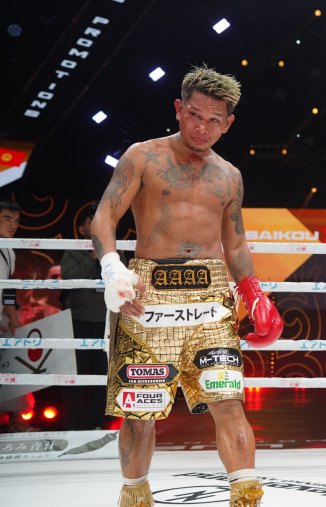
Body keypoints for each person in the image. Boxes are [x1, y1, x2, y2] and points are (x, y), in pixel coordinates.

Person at [91, 65, 283, 507]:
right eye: (195, 115)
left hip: (210, 296)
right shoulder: (143, 156)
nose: (202, 127)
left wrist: (253, 293)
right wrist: (112, 268)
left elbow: (235, 244)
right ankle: (135, 496)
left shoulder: (230, 175)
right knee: (140, 412)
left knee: (228, 399)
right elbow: (105, 215)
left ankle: (246, 496)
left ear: (227, 123)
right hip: (147, 293)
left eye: (214, 119)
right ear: (179, 109)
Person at [60, 203, 110, 430]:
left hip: (106, 322)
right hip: (78, 322)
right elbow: (70, 279)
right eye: (92, 220)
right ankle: (73, 425)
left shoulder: (114, 251)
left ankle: (96, 423)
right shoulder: (72, 250)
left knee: (102, 378)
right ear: (81, 229)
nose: (97, 223)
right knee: (76, 377)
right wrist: (92, 255)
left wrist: (106, 253)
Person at [0, 199, 37, 433]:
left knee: (10, 370)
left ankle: (15, 419)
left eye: (16, 220)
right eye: (7, 219)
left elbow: (8, 289)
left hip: (1, 321)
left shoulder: (9, 250)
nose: (13, 225)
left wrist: (12, 318)